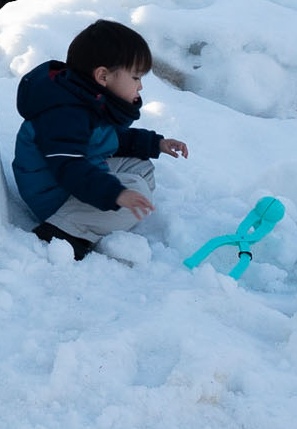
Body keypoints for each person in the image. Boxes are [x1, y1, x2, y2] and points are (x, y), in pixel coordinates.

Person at [11, 19, 189, 259]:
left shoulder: (87, 97)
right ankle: (62, 230)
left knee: (142, 169)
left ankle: (95, 216)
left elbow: (106, 139)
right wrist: (114, 193)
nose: (141, 86)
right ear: (103, 76)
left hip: (77, 176)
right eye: (136, 77)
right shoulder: (65, 113)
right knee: (136, 193)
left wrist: (156, 144)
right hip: (54, 192)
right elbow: (70, 166)